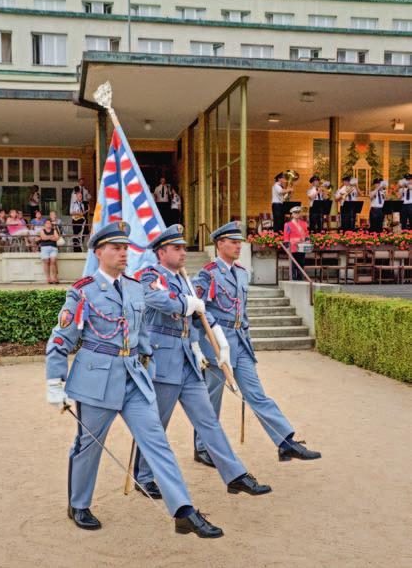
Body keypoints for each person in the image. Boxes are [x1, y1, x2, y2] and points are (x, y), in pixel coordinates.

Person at [46, 221, 223, 537]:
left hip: (134, 379)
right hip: (96, 381)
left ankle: (183, 510)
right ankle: (79, 503)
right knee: (89, 445)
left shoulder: (134, 286)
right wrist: (55, 382)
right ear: (100, 252)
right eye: (116, 247)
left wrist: (154, 368)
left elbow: (142, 337)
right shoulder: (83, 290)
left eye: (126, 247)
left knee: (157, 441)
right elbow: (62, 337)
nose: (124, 253)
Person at [135, 224, 271, 500]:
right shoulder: (151, 274)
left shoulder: (185, 279)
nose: (183, 252)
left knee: (209, 420)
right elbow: (157, 299)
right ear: (161, 252)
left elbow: (199, 319)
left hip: (187, 358)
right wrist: (187, 303)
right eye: (177, 248)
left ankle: (234, 474)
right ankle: (144, 476)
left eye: (184, 247)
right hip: (162, 360)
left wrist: (213, 344)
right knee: (157, 423)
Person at [192, 221, 321, 463]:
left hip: (240, 343)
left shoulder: (241, 272)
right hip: (217, 345)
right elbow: (198, 311)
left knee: (257, 393)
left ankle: (285, 441)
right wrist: (200, 344)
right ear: (220, 244)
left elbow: (244, 311)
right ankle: (202, 448)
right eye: (233, 242)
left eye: (239, 242)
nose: (238, 246)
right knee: (211, 398)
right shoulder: (208, 274)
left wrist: (246, 336)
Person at [283, 206, 309, 281]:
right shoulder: (288, 225)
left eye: (298, 213)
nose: (297, 214)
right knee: (293, 265)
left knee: (301, 264)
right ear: (292, 214)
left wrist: (307, 242)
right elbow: (286, 237)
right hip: (293, 247)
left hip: (302, 247)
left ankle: (301, 279)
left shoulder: (304, 224)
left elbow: (307, 234)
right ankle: (293, 280)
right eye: (295, 213)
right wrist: (287, 248)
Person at [39, 219, 60, 283]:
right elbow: (43, 238)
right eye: (47, 223)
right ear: (44, 224)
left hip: (53, 248)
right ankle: (48, 278)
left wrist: (47, 237)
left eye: (49, 223)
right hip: (44, 248)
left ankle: (54, 278)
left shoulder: (54, 230)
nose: (48, 224)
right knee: (46, 261)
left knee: (53, 261)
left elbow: (57, 238)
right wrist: (51, 236)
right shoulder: (42, 230)